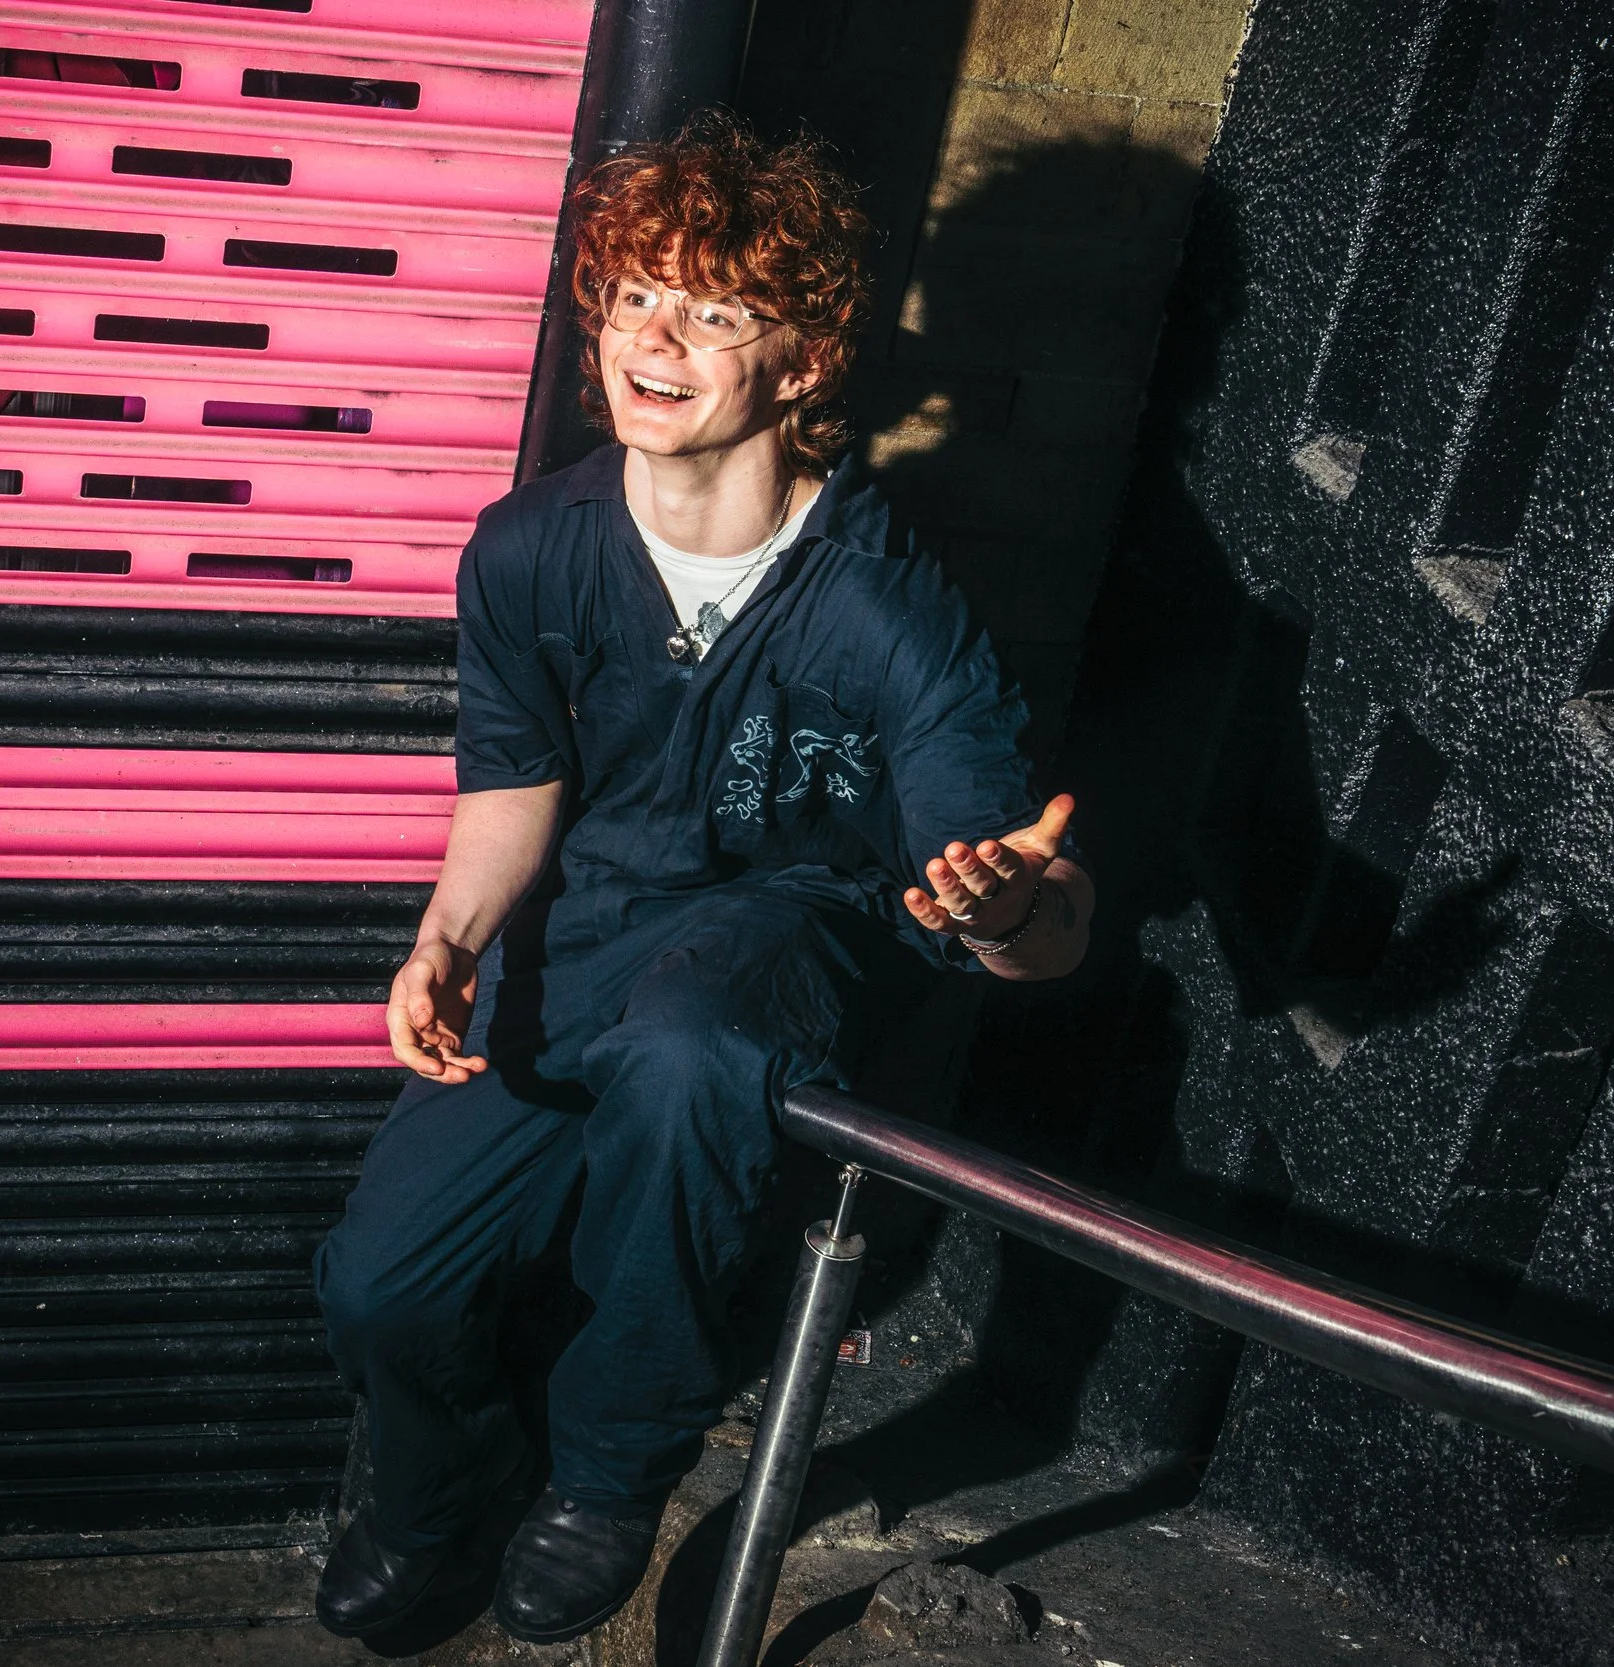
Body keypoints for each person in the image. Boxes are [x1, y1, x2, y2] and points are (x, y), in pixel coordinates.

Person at [311, 114, 1093, 1645]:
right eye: (635, 300)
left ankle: (606, 1473)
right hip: (586, 923)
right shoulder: (531, 546)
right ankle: (438, 1494)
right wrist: (451, 935)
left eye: (716, 313)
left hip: (780, 933)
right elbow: (512, 782)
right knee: (380, 1282)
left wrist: (1005, 908)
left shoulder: (884, 607)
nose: (655, 341)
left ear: (799, 365)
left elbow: (1026, 919)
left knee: (691, 1045)